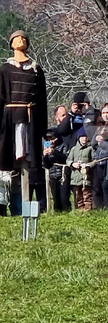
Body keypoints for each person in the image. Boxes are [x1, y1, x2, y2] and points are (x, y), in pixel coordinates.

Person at [0, 30, 48, 204]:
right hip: (10, 120)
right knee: (7, 163)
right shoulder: (4, 69)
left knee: (32, 163)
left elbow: (42, 101)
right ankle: (5, 206)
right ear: (11, 43)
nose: (20, 40)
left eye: (23, 38)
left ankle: (33, 203)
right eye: (16, 38)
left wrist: (44, 129)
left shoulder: (36, 70)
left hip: (31, 120)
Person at [42, 128, 68, 212]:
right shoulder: (46, 148)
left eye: (53, 139)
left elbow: (65, 158)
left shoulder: (63, 145)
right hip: (52, 175)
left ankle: (66, 211)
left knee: (64, 197)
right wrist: (45, 156)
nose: (51, 141)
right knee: (55, 197)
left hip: (63, 174)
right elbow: (47, 165)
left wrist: (54, 152)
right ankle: (57, 212)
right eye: (49, 139)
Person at [67, 133, 95, 211]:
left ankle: (88, 211)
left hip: (86, 177)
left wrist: (88, 165)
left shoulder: (90, 148)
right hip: (75, 177)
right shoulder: (73, 149)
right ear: (78, 138)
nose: (84, 138)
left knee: (87, 195)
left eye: (86, 136)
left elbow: (95, 161)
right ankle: (79, 211)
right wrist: (73, 164)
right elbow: (68, 160)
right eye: (82, 136)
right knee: (77, 196)